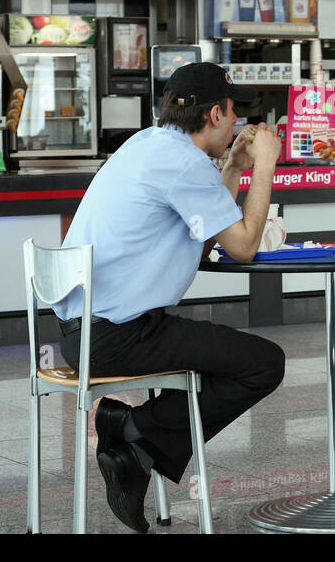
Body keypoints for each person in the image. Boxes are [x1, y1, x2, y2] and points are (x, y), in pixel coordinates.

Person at [55, 62, 286, 531]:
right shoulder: (183, 164)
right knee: (264, 364)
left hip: (83, 333)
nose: (239, 122)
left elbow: (206, 234)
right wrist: (266, 165)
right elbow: (241, 246)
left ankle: (137, 445)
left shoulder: (150, 145)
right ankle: (133, 432)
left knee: (240, 361)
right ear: (217, 115)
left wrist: (235, 168)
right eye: (235, 110)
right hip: (119, 336)